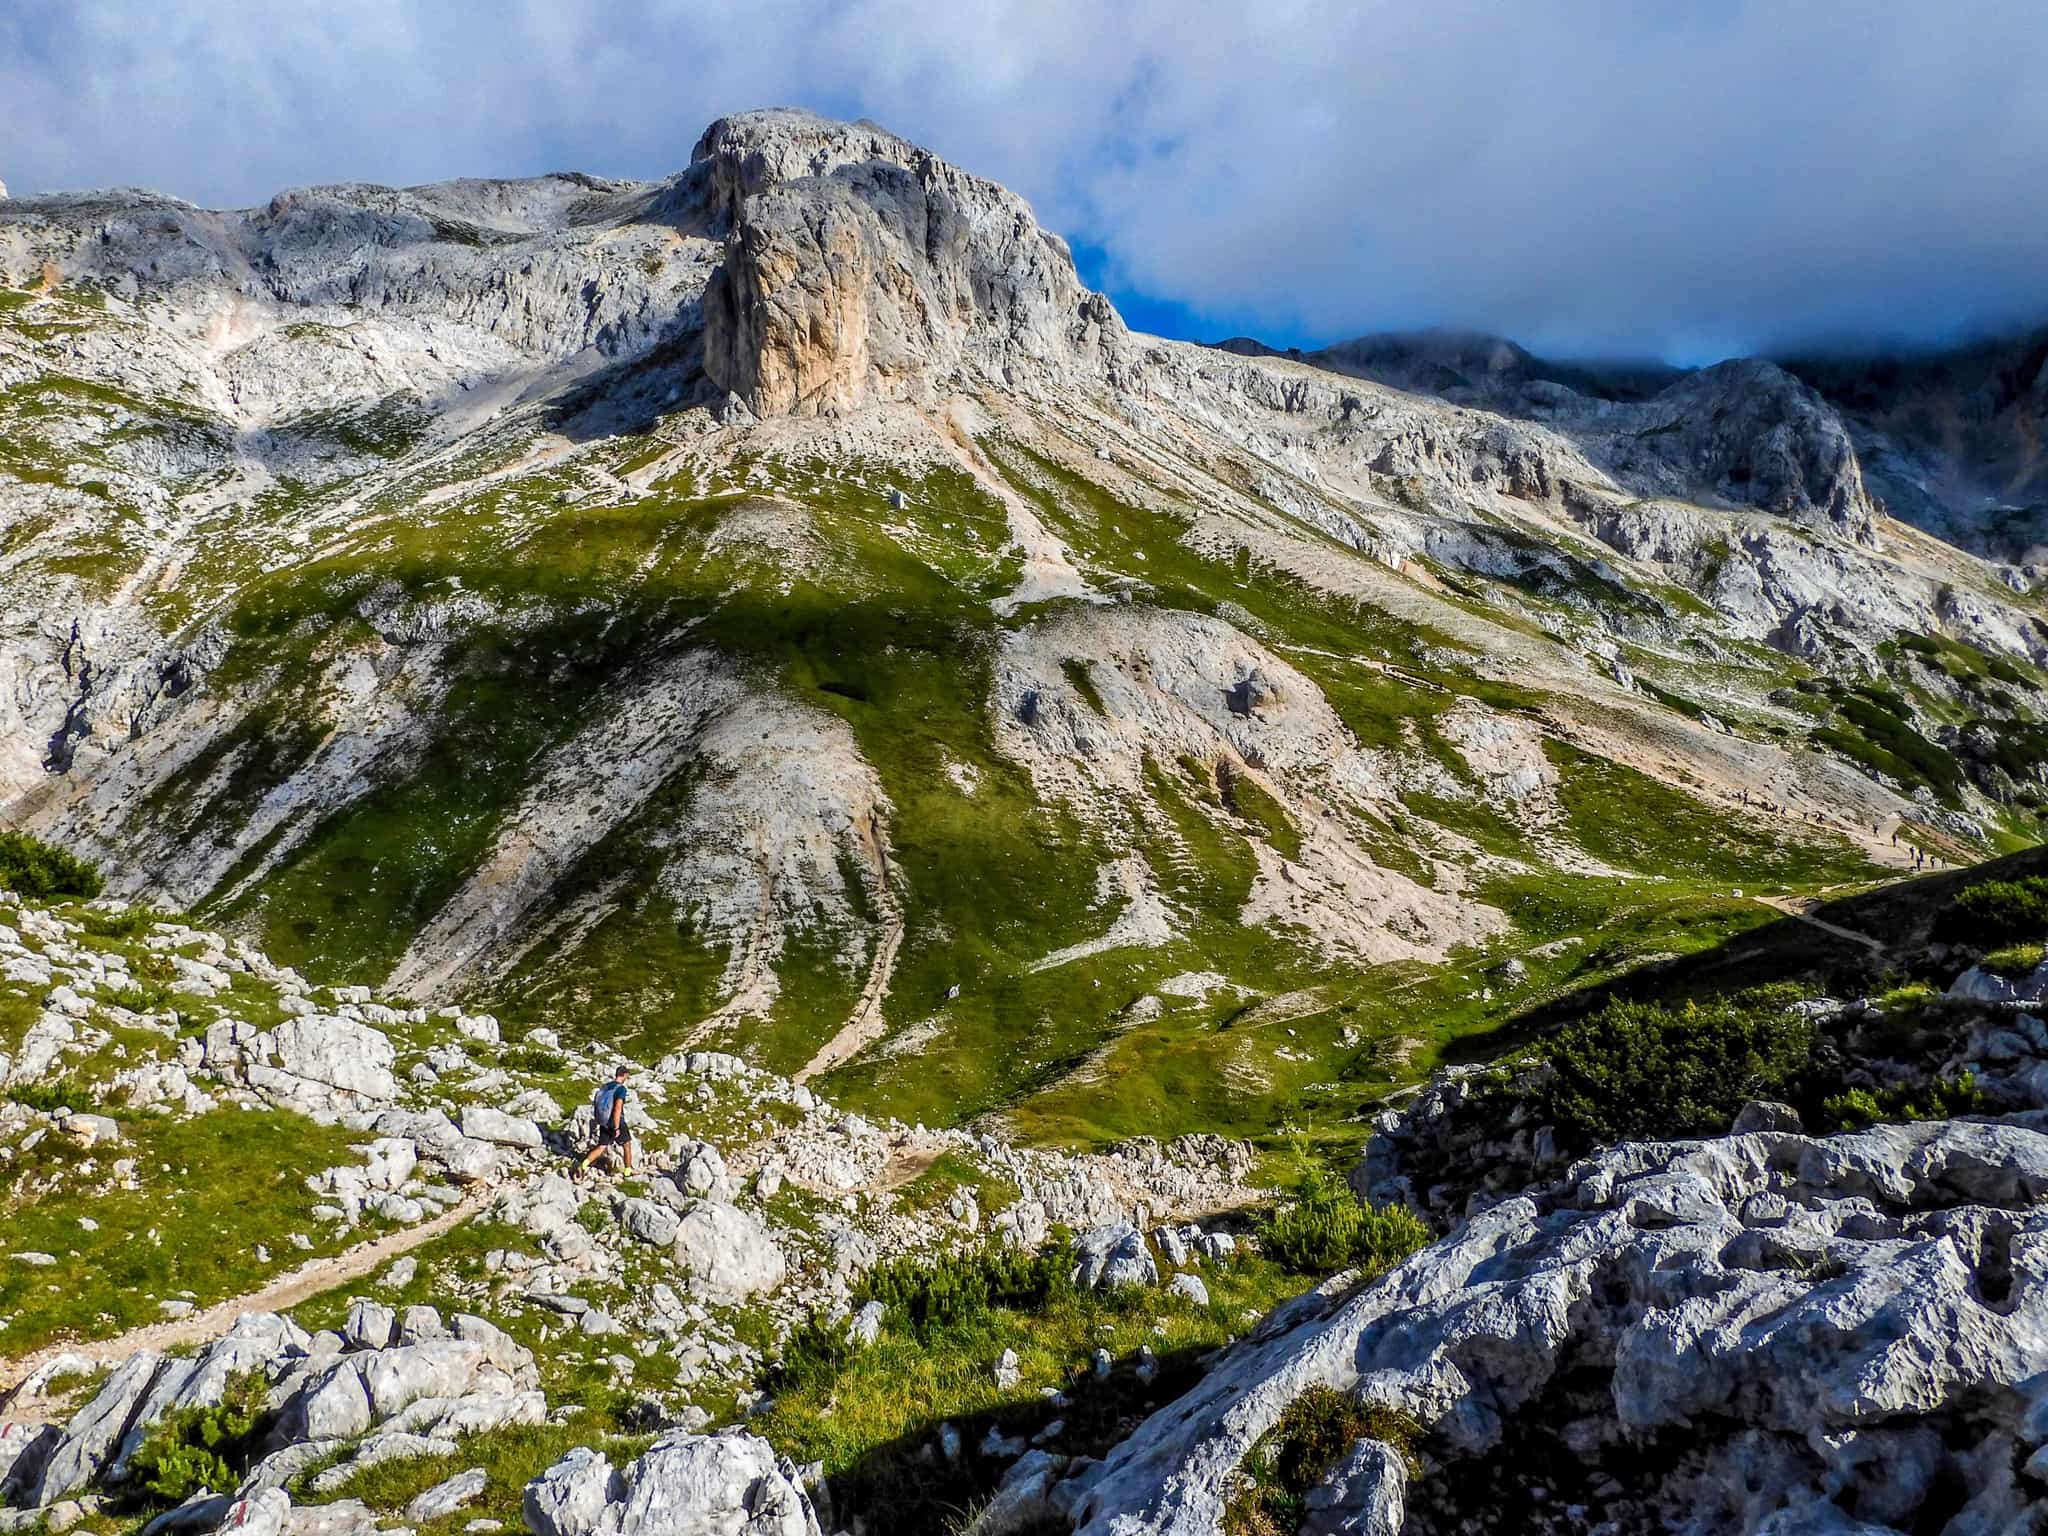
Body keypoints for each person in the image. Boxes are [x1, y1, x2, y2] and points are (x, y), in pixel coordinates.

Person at [577, 1065, 636, 1178]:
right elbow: (618, 1108)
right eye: (627, 1076)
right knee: (627, 1144)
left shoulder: (605, 1086)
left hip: (604, 1120)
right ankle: (628, 1171)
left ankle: (583, 1165)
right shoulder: (621, 1089)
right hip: (616, 1121)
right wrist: (617, 1127)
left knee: (602, 1146)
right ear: (624, 1075)